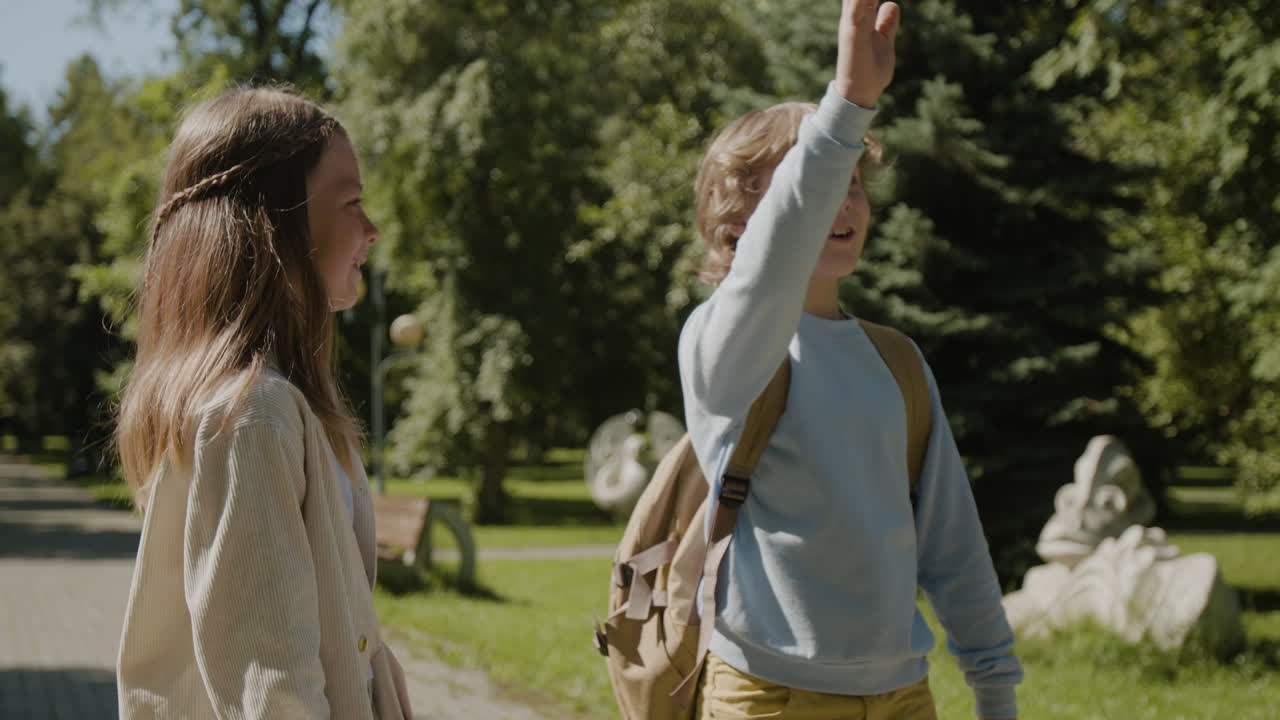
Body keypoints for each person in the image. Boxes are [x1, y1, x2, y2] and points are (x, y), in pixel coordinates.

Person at [678, 1, 1022, 718]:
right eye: (822, 180)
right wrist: (848, 105)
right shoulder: (722, 345)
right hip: (768, 696)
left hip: (902, 696)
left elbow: (951, 540)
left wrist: (994, 687)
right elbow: (776, 254)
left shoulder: (896, 362)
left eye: (855, 182)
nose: (844, 198)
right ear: (740, 221)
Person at [114, 86, 412, 719]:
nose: (372, 229)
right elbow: (270, 688)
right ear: (281, 218)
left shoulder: (279, 406)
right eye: (353, 201)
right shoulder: (253, 415)